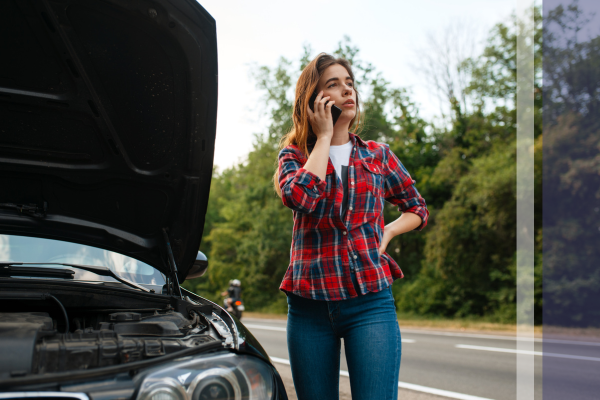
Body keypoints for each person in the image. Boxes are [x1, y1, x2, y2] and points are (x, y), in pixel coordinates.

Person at [275, 53, 429, 400]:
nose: (347, 91)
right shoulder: (295, 155)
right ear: (314, 98)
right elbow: (301, 198)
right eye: (333, 84)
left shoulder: (378, 155)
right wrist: (324, 137)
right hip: (309, 306)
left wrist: (388, 231)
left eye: (350, 83)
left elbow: (416, 208)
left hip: (370, 303)